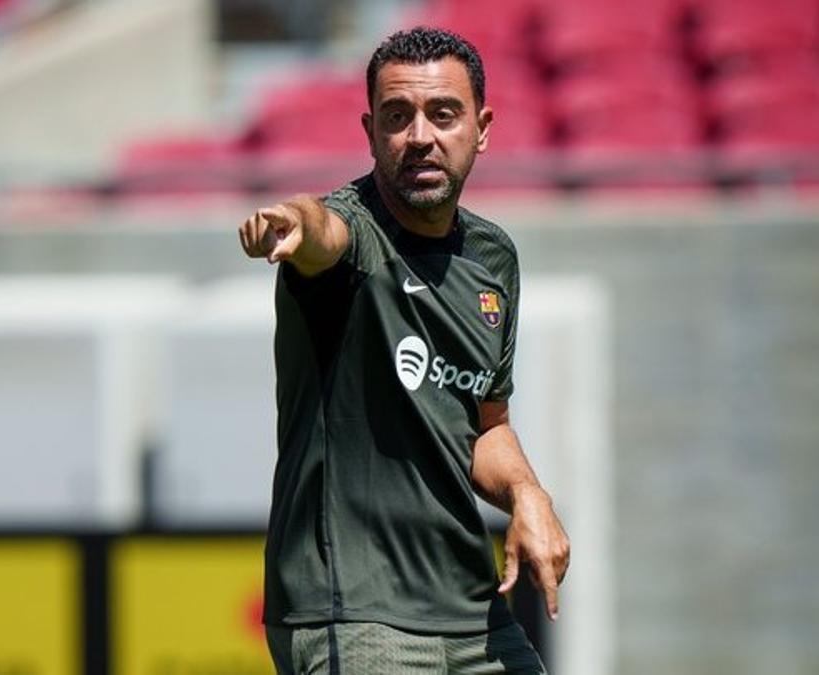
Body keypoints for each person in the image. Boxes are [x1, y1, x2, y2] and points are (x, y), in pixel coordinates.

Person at [238, 27, 570, 674]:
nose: (420, 135)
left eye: (442, 114)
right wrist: (292, 223)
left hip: (468, 607)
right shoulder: (353, 234)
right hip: (357, 613)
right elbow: (319, 228)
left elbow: (484, 425)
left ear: (483, 127)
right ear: (370, 133)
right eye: (398, 117)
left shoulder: (493, 259)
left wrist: (530, 494)